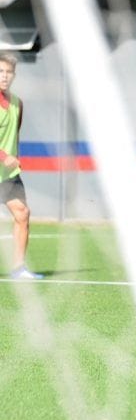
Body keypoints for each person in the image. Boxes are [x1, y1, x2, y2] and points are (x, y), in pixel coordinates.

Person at [0, 52, 43, 280]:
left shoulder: (18, 103)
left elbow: (13, 135)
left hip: (7, 175)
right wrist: (3, 156)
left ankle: (18, 268)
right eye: (0, 72)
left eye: (8, 72)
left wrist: (13, 158)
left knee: (22, 213)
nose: (4, 76)